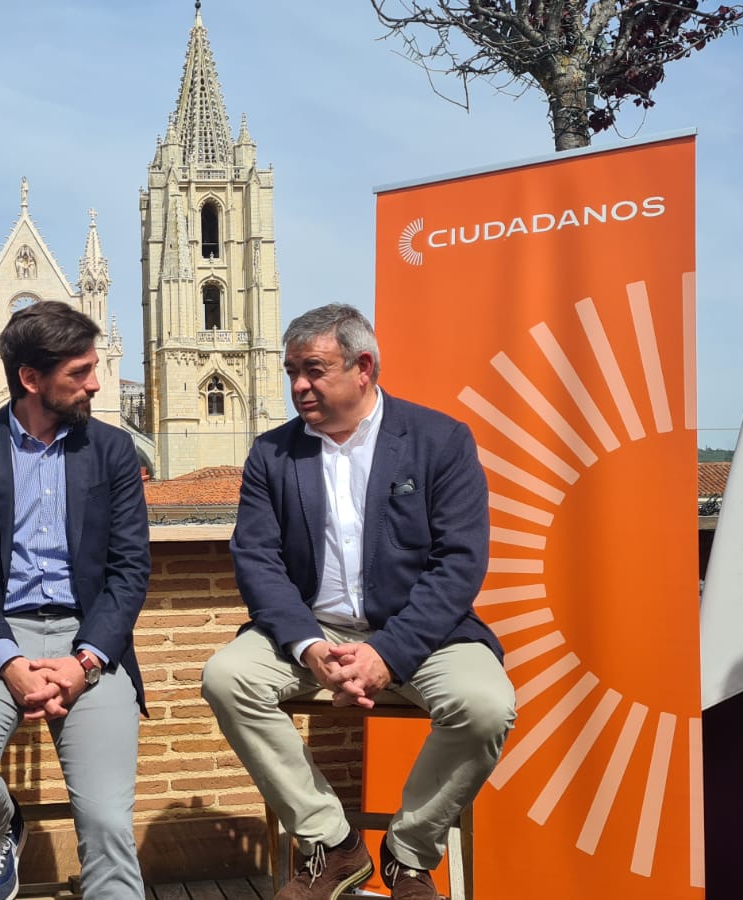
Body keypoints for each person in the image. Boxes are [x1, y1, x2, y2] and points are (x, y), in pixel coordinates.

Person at [201, 304, 516, 900]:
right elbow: (258, 561)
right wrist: (309, 644)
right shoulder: (272, 454)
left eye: (314, 370)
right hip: (309, 629)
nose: (298, 385)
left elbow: (459, 564)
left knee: (485, 705)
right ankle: (332, 843)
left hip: (423, 634)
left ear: (363, 367)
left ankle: (408, 853)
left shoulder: (439, 441)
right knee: (226, 677)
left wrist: (388, 655)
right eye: (292, 370)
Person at [0, 301, 151, 900]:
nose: (96, 383)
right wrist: (8, 661)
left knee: (105, 823)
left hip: (90, 637)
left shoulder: (112, 450)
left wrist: (86, 659)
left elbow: (130, 570)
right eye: (79, 372)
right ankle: (3, 830)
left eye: (94, 367)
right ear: (30, 379)